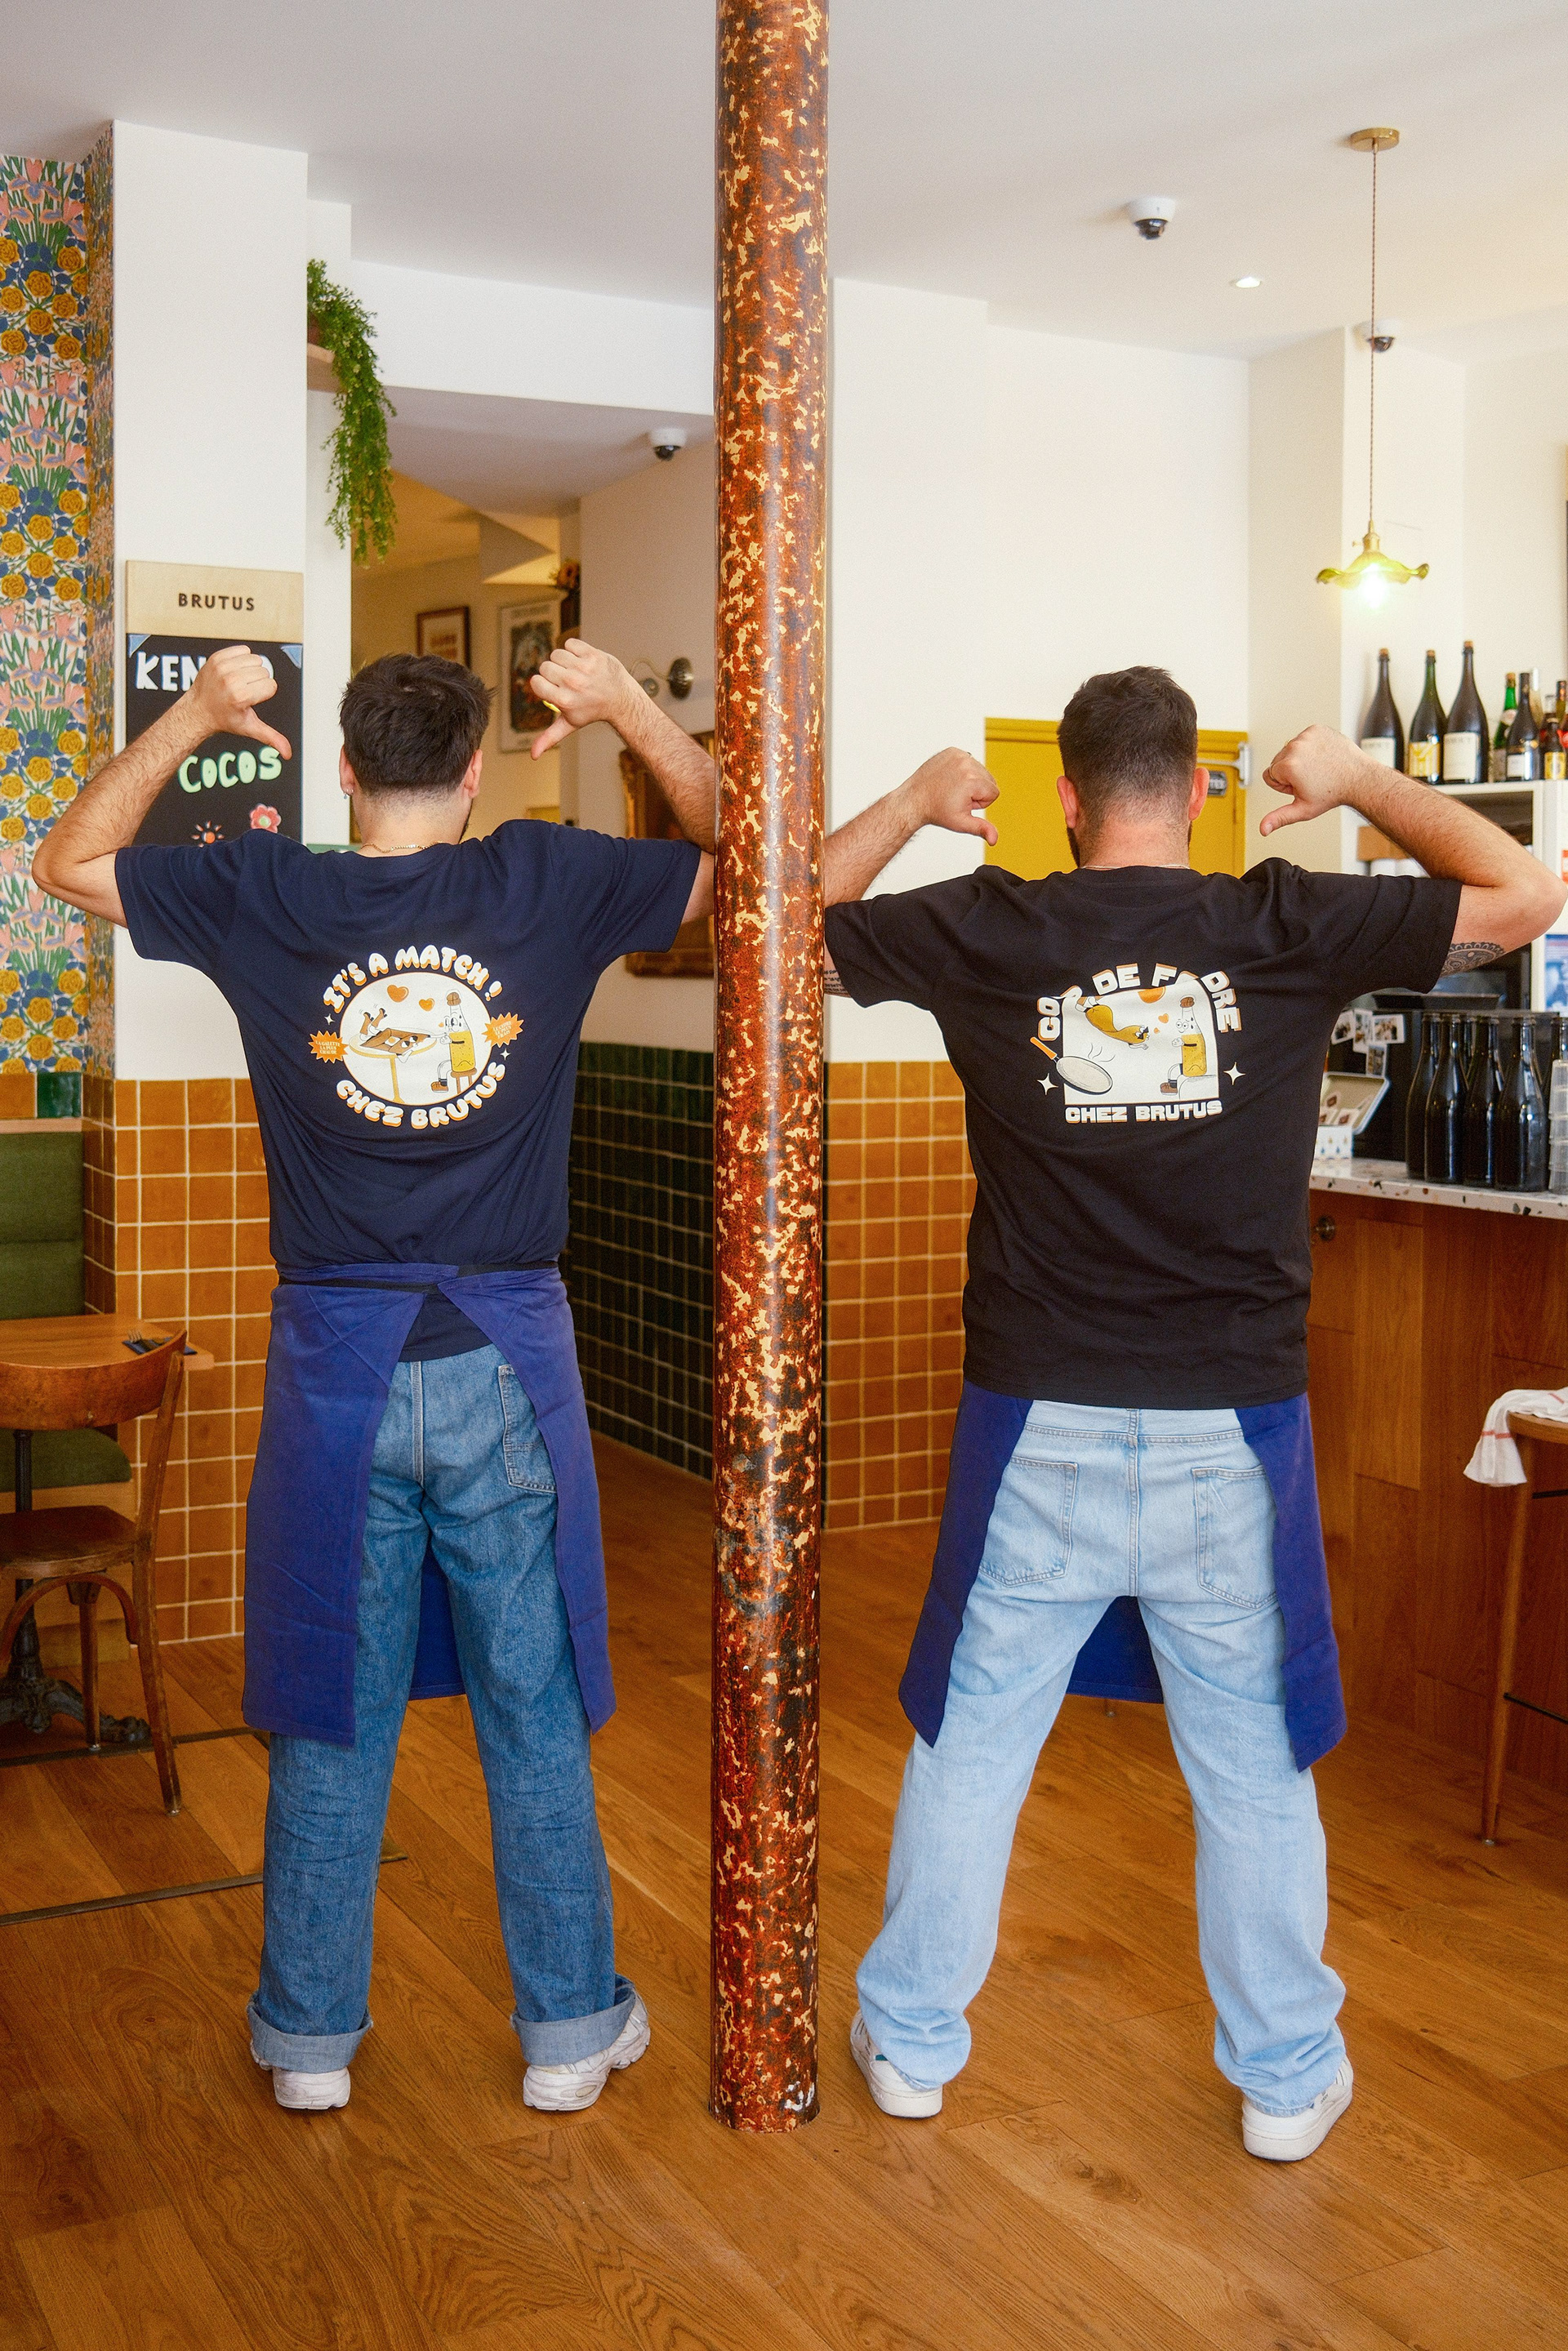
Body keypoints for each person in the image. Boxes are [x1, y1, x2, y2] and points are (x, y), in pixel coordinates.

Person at [33, 637, 996, 2117]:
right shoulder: (546, 878)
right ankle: (567, 2033)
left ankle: (308, 2041)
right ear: (477, 773)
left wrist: (199, 714)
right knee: (531, 1705)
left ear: (343, 770)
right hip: (504, 1360)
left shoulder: (265, 891)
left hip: (336, 1371)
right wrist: (629, 710)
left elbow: (66, 861)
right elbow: (772, 873)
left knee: (328, 1703)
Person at [822, 668, 1564, 2160]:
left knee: (974, 1741)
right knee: (1253, 1765)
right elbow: (1530, 892)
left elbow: (776, 929)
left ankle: (909, 2040)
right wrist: (1359, 783)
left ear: (1066, 799)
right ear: (1204, 792)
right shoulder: (1283, 922)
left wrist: (908, 805)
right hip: (1233, 1424)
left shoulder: (989, 926)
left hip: (1036, 1415)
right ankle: (1285, 2079)